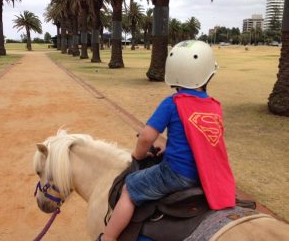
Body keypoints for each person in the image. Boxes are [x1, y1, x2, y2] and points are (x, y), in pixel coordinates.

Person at [99, 40, 235, 241]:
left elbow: (146, 137)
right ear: (209, 74)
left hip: (178, 175)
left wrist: (138, 154)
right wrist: (170, 148)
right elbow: (197, 140)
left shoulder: (173, 103)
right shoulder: (215, 106)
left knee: (130, 187)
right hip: (208, 174)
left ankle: (107, 238)